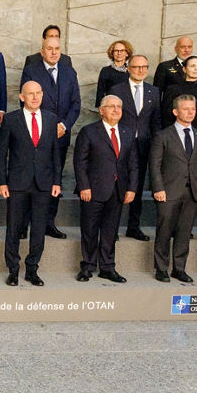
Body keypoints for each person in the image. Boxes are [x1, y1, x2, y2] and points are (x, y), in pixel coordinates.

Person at [0, 81, 62, 287]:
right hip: (17, 183)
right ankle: (13, 270)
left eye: (38, 93)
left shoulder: (51, 119)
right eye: (30, 94)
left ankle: (32, 269)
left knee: (39, 229)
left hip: (43, 183)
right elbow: (2, 154)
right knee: (14, 228)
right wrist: (2, 182)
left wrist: (57, 181)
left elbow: (55, 153)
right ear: (22, 97)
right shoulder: (11, 119)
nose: (35, 97)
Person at [19, 37, 80, 238]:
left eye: (57, 49)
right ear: (42, 51)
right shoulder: (31, 71)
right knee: (31, 177)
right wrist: (46, 128)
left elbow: (76, 104)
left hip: (61, 135)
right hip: (37, 136)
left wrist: (63, 125)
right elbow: (26, 102)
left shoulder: (69, 72)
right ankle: (24, 224)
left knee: (55, 178)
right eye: (50, 49)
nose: (54, 52)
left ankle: (48, 222)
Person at [73, 95, 137, 283]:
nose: (116, 110)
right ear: (101, 110)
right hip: (93, 190)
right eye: (111, 106)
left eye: (119, 106)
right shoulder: (89, 131)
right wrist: (84, 186)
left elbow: (133, 163)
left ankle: (107, 268)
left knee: (110, 231)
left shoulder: (127, 132)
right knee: (89, 229)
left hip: (118, 190)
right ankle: (87, 266)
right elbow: (80, 162)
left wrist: (132, 188)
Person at [149, 94, 197, 283]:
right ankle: (161, 268)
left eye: (193, 109)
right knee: (164, 231)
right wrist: (158, 188)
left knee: (185, 232)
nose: (190, 112)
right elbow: (154, 165)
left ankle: (179, 268)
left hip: (192, 192)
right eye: (185, 109)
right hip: (168, 191)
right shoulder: (163, 135)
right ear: (176, 111)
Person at [110, 53, 159, 242]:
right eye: (137, 67)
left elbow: (156, 121)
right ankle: (112, 228)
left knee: (137, 186)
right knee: (117, 185)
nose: (141, 70)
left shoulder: (153, 91)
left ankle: (133, 226)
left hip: (144, 146)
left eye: (144, 67)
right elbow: (112, 116)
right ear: (128, 68)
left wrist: (156, 145)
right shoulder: (117, 89)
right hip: (121, 144)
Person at [161, 56, 197, 148]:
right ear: (184, 69)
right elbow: (165, 116)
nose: (196, 69)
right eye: (192, 66)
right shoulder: (173, 89)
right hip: (175, 138)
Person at [95, 39, 132, 108]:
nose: (119, 53)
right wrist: (101, 109)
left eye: (122, 50)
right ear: (112, 53)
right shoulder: (106, 71)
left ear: (127, 53)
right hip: (112, 107)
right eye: (116, 51)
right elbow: (100, 92)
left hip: (129, 108)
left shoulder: (131, 71)